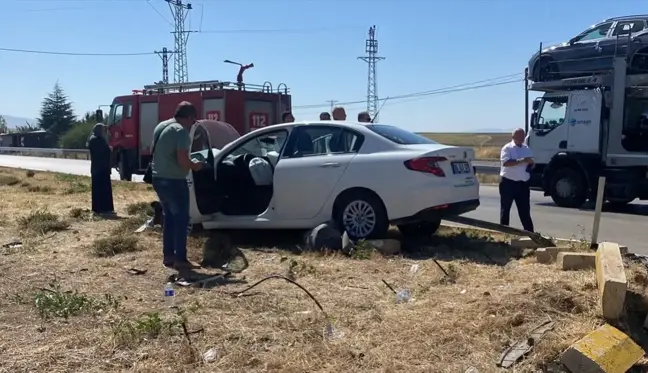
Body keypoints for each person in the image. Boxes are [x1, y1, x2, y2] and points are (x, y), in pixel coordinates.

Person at [151, 101, 206, 270]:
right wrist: (195, 165)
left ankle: (168, 256)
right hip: (174, 180)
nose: (192, 125)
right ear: (189, 117)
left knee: (169, 218)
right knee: (182, 219)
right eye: (193, 121)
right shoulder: (181, 132)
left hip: (158, 178)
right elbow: (182, 160)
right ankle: (181, 259)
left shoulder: (162, 126)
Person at [499, 128, 534, 232]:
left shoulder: (526, 148)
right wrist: (521, 160)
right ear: (513, 137)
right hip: (508, 183)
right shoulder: (507, 148)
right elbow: (506, 163)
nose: (522, 139)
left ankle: (531, 235)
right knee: (505, 210)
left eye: (523, 136)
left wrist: (531, 164)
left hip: (523, 184)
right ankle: (505, 235)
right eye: (519, 137)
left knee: (525, 211)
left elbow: (531, 162)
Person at [87, 123, 115, 215]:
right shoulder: (96, 140)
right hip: (99, 169)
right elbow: (105, 151)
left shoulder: (97, 139)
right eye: (103, 130)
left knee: (104, 189)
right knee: (100, 190)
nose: (104, 132)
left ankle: (105, 209)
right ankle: (101, 209)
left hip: (101, 169)